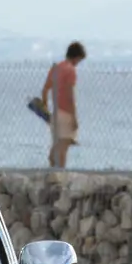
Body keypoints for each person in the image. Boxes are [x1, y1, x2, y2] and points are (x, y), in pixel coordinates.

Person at [40, 41, 86, 169]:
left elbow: (45, 90)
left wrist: (44, 107)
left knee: (56, 144)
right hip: (66, 112)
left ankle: (52, 171)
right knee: (63, 147)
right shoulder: (70, 70)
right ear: (76, 57)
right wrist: (74, 117)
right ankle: (60, 173)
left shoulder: (56, 68)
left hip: (55, 112)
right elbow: (70, 95)